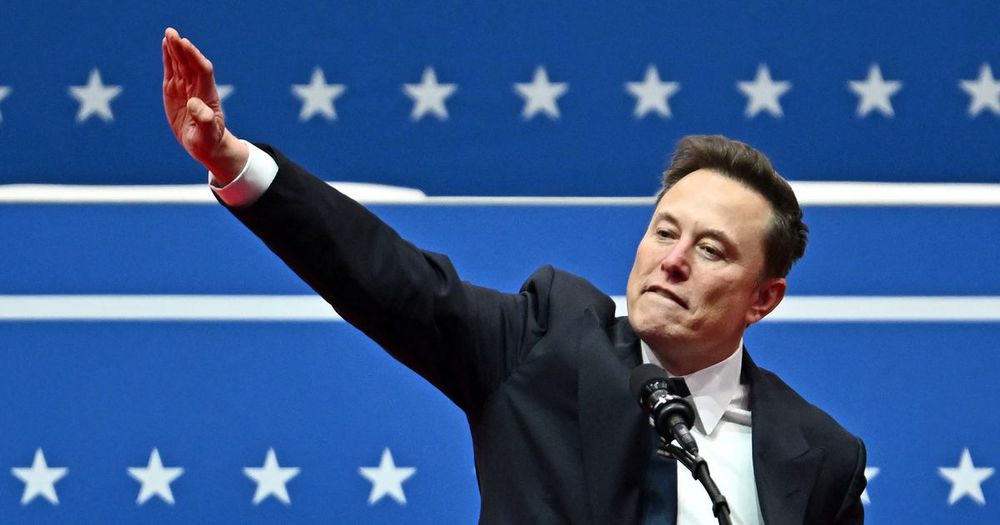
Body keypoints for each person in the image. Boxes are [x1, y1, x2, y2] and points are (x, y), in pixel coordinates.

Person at [161, 27, 867, 524]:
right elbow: (388, 277)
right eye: (663, 230)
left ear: (763, 298)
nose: (673, 259)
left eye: (710, 249)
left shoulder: (821, 456)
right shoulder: (544, 342)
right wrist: (234, 163)